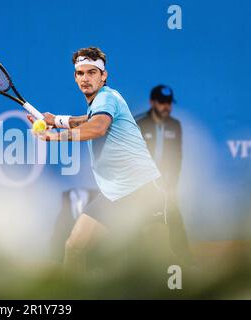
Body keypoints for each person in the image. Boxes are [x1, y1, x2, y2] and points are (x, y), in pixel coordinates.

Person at [27, 47, 167, 275]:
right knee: (75, 246)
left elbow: (98, 127)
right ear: (75, 77)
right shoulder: (102, 103)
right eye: (80, 74)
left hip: (141, 193)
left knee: (153, 265)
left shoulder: (107, 97)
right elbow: (90, 119)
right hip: (115, 195)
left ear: (104, 76)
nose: (85, 78)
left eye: (92, 72)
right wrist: (57, 120)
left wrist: (56, 136)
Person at [135, 85, 194, 266]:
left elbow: (177, 158)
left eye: (168, 103)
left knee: (175, 220)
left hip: (164, 185)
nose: (166, 107)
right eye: (162, 102)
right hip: (141, 185)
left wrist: (171, 187)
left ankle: (186, 263)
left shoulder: (175, 126)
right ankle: (134, 264)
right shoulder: (138, 124)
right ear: (152, 102)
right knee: (134, 224)